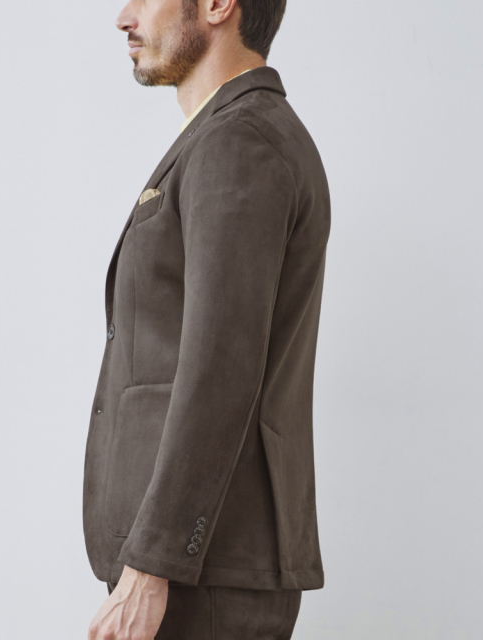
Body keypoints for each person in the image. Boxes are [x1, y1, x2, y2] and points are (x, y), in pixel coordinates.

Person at [83, 0, 331, 637]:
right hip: (193, 567)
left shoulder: (239, 142)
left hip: (199, 573)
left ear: (219, 5)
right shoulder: (225, 135)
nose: (124, 16)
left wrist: (153, 565)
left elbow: (222, 366)